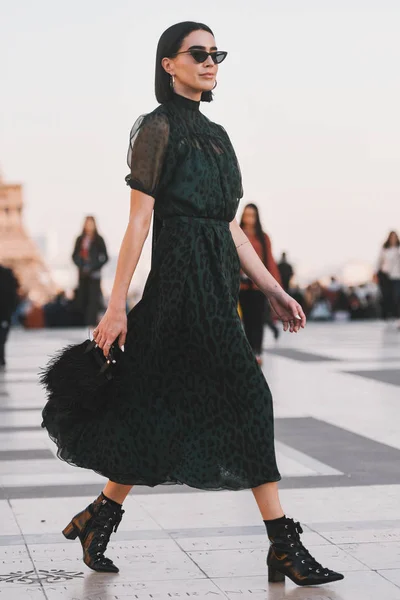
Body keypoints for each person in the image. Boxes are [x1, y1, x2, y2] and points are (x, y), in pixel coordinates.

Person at [41, 22, 343, 587]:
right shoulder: (156, 129)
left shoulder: (220, 136)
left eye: (216, 54)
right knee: (249, 399)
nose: (209, 62)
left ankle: (98, 517)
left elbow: (231, 228)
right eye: (197, 54)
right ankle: (282, 544)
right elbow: (137, 224)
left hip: (216, 288)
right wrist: (116, 307)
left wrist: (274, 290)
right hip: (178, 291)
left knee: (154, 407)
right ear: (168, 64)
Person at [239, 204, 281, 364]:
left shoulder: (264, 238)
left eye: (252, 215)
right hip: (242, 287)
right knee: (247, 320)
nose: (249, 219)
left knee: (258, 320)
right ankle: (249, 350)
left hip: (258, 287)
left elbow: (269, 261)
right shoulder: (238, 234)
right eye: (246, 215)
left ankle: (257, 351)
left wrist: (275, 288)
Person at [72, 216, 108, 327]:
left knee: (93, 299)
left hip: (94, 275)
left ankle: (91, 324)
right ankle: (84, 323)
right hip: (83, 275)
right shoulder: (80, 239)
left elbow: (105, 257)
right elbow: (74, 255)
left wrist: (95, 266)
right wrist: (81, 266)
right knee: (83, 298)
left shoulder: (98, 239)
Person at [376, 231, 400, 327]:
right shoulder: (385, 249)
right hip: (386, 276)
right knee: (388, 296)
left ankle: (398, 317)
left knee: (397, 296)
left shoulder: (398, 249)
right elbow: (379, 261)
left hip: (397, 276)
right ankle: (391, 316)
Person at [0, 265, 19, 367]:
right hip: (5, 311)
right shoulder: (7, 273)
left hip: (5, 310)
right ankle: (1, 356)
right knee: (2, 336)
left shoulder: (7, 274)